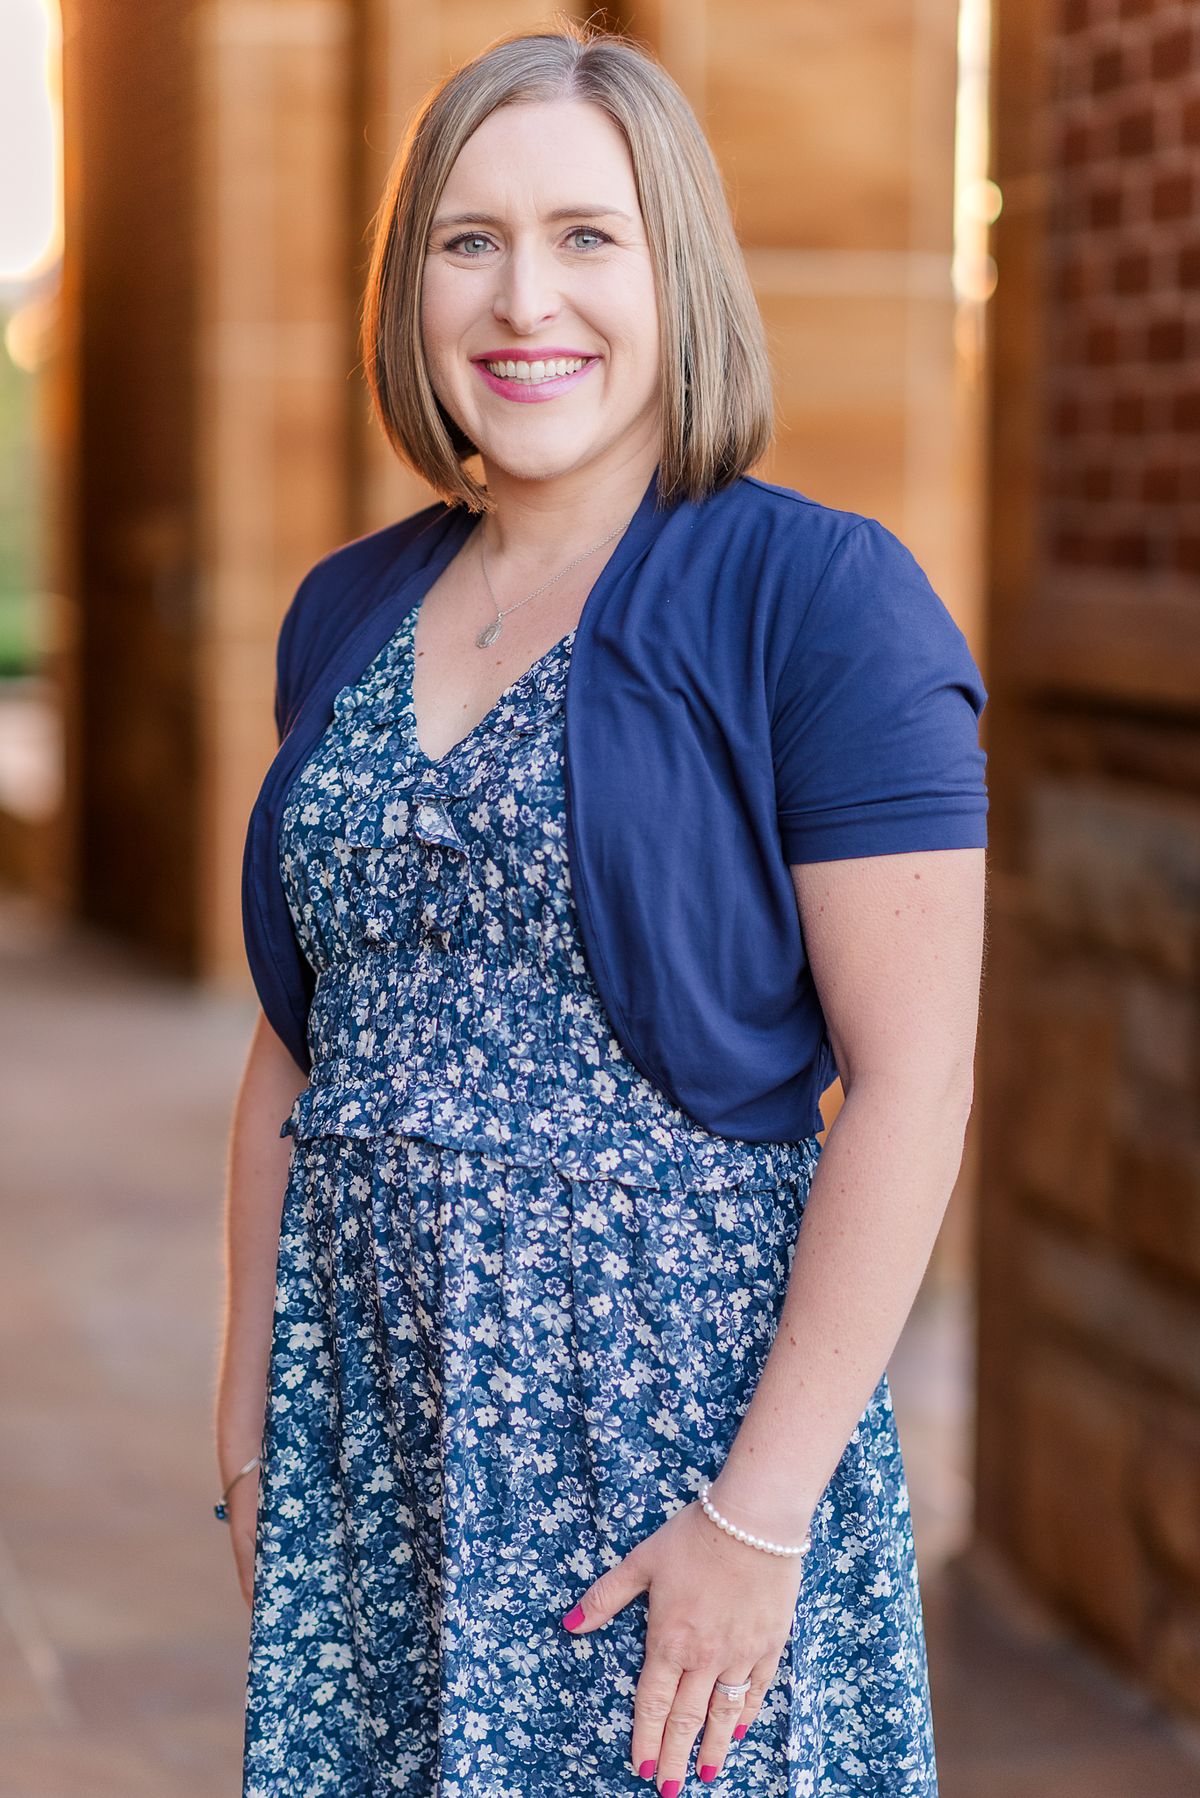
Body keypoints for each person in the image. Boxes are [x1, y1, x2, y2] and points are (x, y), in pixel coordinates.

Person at [217, 18, 988, 1798]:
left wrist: (758, 1516)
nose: (520, 299)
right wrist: (251, 1420)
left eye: (585, 237)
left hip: (668, 1459)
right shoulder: (344, 610)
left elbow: (918, 1082)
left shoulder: (820, 598)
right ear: (411, 286)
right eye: (467, 241)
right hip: (382, 1455)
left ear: (678, 275)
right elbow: (297, 1040)